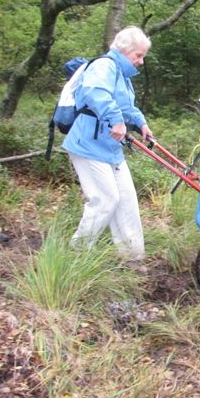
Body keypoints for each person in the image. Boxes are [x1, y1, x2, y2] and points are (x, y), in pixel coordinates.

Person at [63, 26, 154, 264]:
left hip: (110, 148)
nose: (141, 61)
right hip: (88, 145)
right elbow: (96, 93)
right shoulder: (104, 66)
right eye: (138, 55)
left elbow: (126, 107)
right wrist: (115, 120)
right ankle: (77, 255)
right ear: (124, 51)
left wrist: (141, 123)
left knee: (126, 200)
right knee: (105, 200)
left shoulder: (122, 75)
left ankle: (132, 257)